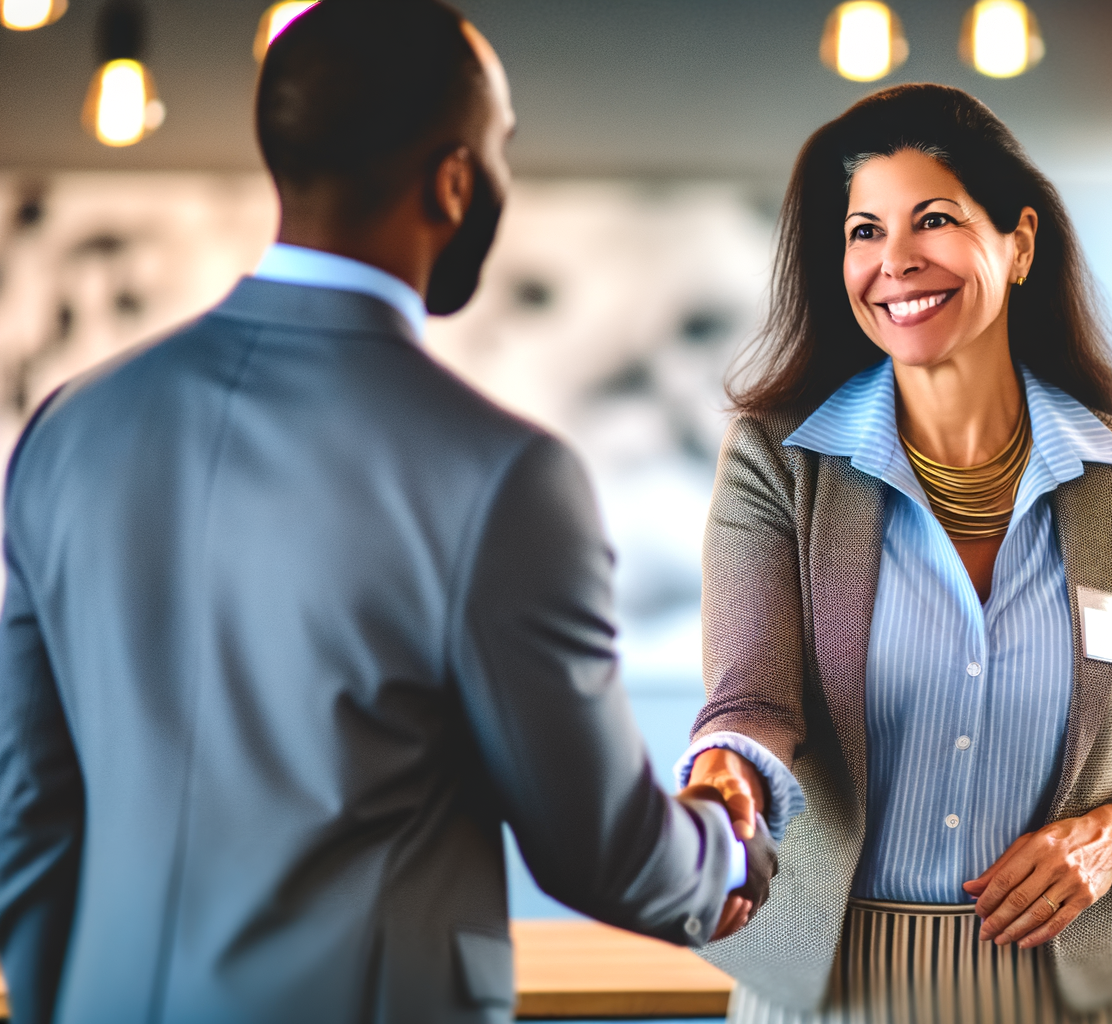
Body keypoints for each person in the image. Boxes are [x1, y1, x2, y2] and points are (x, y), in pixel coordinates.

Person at [0, 3, 772, 1022]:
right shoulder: (504, 476)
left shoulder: (67, 428)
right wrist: (727, 845)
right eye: (498, 149)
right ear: (454, 181)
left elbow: (27, 813)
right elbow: (601, 849)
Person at [669, 83, 1112, 1024]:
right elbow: (752, 704)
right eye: (864, 231)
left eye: (933, 220)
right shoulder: (777, 464)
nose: (895, 260)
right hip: (836, 988)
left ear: (1019, 242)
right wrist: (724, 774)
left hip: (1091, 992)